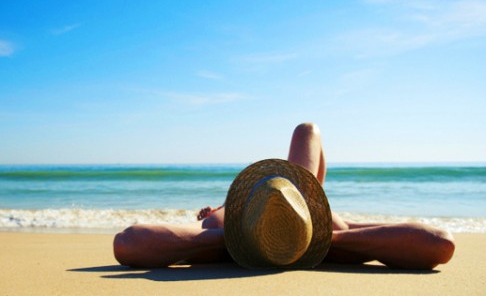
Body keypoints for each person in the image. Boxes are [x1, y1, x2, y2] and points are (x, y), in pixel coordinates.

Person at [113, 123, 455, 270]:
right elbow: (440, 243)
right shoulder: (341, 240)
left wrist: (231, 238)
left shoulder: (218, 235)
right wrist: (321, 238)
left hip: (232, 239)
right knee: (307, 130)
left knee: (306, 133)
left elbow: (126, 242)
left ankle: (306, 207)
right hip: (326, 237)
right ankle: (310, 208)